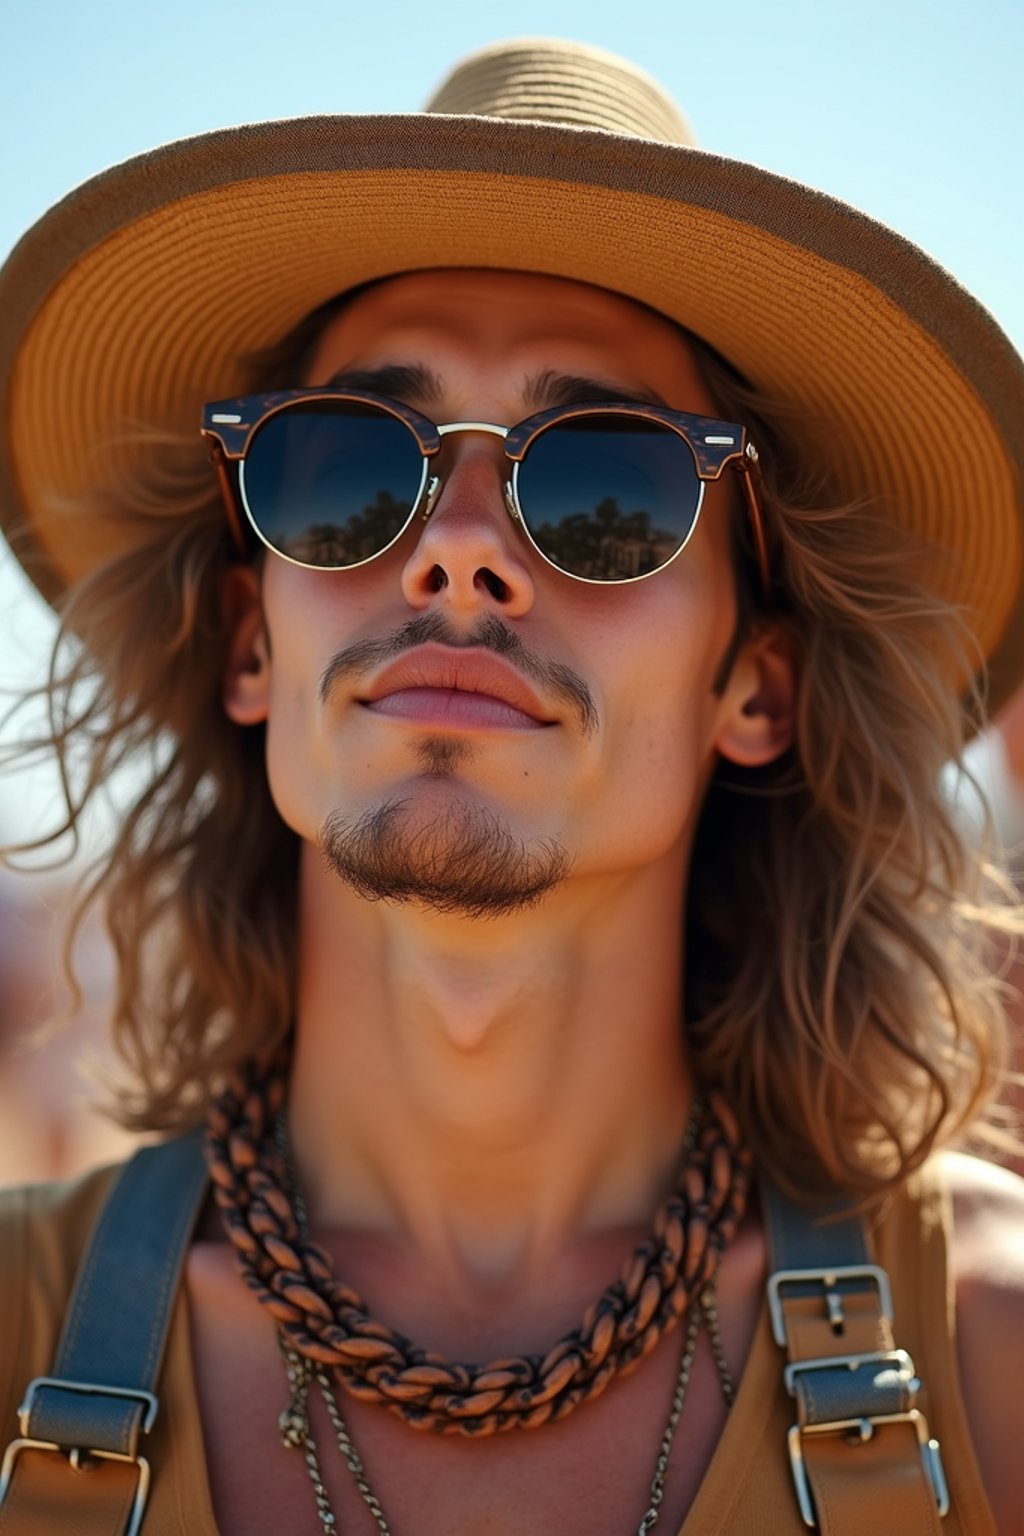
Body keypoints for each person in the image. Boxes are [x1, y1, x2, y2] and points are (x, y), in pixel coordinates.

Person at [0, 35, 1022, 1536]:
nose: (458, 546)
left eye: (608, 479)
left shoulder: (990, 1360)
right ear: (249, 647)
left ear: (759, 684)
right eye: (343, 467)